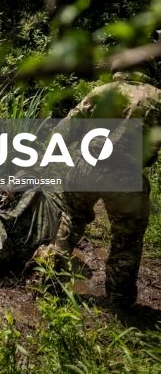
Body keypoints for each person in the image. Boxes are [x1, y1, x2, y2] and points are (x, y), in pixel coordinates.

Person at [49, 67, 161, 306]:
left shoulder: (102, 92)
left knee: (70, 219)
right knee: (127, 239)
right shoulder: (158, 98)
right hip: (125, 177)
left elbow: (63, 132)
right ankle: (119, 300)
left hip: (85, 167)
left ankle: (48, 280)